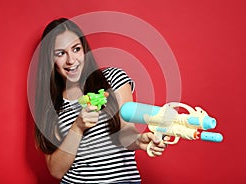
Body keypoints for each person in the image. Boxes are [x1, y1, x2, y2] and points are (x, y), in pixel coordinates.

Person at [34, 18, 168, 184]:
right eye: (60, 53)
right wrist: (77, 127)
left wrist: (139, 141)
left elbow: (126, 132)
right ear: (50, 60)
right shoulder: (50, 108)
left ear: (84, 50)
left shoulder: (113, 79)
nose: (71, 60)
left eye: (76, 49)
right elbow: (56, 170)